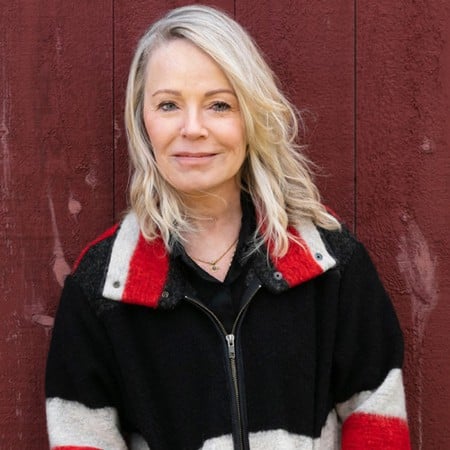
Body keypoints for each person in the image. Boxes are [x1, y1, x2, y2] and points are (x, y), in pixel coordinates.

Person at [45, 5, 411, 450]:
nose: (192, 128)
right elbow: (81, 436)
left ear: (251, 115)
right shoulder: (103, 286)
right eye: (168, 105)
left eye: (219, 104)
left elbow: (376, 414)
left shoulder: (328, 264)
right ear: (142, 120)